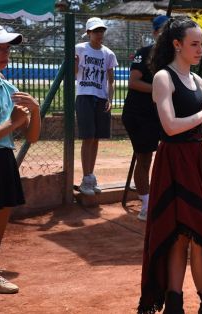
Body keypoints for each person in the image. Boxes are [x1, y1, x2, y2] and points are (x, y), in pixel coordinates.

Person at [137, 17, 202, 314]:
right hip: (173, 161)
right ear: (176, 44)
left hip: (195, 161)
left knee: (201, 236)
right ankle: (174, 305)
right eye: (194, 43)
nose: (200, 49)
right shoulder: (162, 78)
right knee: (176, 235)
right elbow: (169, 127)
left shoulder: (198, 80)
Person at [0, 25, 41, 294]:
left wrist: (34, 112)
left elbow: (33, 137)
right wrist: (13, 124)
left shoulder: (7, 87)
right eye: (0, 48)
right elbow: (13, 125)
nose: (6, 53)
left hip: (3, 157)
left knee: (1, 216)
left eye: (7, 48)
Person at [122, 15, 169, 221]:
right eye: (163, 30)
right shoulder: (144, 53)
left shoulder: (175, 56)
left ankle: (161, 198)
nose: (166, 34)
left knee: (168, 155)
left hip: (160, 114)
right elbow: (134, 82)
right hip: (139, 114)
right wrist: (161, 90)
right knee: (144, 158)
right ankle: (147, 204)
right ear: (155, 32)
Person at [75, 17, 118, 196]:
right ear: (88, 33)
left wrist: (110, 98)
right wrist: (75, 63)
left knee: (97, 138)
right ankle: (85, 179)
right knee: (88, 137)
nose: (99, 34)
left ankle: (91, 177)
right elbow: (74, 73)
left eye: (101, 30)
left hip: (101, 98)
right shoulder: (79, 48)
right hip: (84, 96)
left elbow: (111, 79)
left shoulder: (108, 53)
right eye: (95, 31)